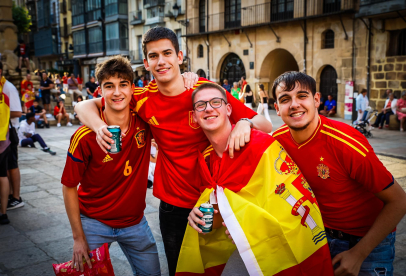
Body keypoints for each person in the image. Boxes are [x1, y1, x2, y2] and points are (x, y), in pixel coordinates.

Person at [74, 26, 272, 276]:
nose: (161, 61)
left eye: (167, 53)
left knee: (223, 269)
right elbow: (83, 106)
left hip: (216, 200)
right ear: (146, 63)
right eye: (154, 56)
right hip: (174, 206)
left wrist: (245, 122)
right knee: (180, 271)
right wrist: (101, 127)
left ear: (179, 56)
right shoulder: (142, 98)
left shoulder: (204, 91)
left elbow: (266, 125)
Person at [184, 82, 333, 275]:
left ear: (229, 109)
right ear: (194, 117)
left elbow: (294, 205)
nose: (209, 108)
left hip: (281, 250)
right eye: (200, 105)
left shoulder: (261, 145)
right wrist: (198, 217)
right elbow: (222, 210)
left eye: (215, 102)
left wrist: (251, 226)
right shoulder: (206, 159)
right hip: (243, 250)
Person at [271, 71, 406, 276]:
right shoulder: (276, 142)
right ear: (277, 109)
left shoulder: (346, 143)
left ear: (316, 100)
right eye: (285, 99)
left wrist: (359, 254)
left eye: (302, 96)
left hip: (367, 242)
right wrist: (246, 122)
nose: (294, 104)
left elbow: (399, 201)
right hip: (318, 237)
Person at [61, 55, 160, 275]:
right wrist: (78, 238)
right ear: (100, 91)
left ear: (132, 89)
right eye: (109, 86)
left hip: (135, 223)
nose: (117, 92)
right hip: (94, 224)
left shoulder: (144, 124)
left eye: (123, 85)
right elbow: (68, 186)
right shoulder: (85, 136)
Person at [0, 58, 23, 215]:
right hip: (0, 131)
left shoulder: (8, 87)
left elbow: (18, 112)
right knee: (3, 170)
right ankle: (7, 195)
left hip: (9, 130)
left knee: (12, 165)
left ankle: (16, 196)